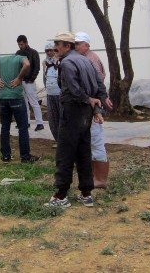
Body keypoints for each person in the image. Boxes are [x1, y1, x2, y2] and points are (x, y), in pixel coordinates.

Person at [45, 32, 107, 209]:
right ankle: (86, 193)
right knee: (83, 152)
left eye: (59, 44)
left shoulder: (67, 63)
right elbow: (100, 87)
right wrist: (95, 108)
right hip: (85, 113)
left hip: (73, 110)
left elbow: (73, 89)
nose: (55, 47)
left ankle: (60, 195)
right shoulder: (86, 60)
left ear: (68, 46)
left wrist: (88, 101)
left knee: (64, 153)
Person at [0, 53, 40, 164]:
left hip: (3, 97)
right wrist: (19, 77)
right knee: (23, 128)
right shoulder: (21, 58)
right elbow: (27, 64)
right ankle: (25, 157)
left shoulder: (1, 59)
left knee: (5, 127)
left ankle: (6, 156)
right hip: (16, 97)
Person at [75, 31, 113, 188]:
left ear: (87, 45)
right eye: (75, 43)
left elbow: (98, 84)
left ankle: (101, 179)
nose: (76, 46)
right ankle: (93, 175)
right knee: (87, 142)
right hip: (84, 107)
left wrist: (99, 103)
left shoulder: (91, 59)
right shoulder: (81, 59)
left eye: (79, 44)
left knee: (96, 140)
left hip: (92, 107)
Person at [15, 35, 45, 131]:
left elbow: (36, 67)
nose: (20, 46)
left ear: (26, 42)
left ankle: (40, 123)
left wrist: (32, 78)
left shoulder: (34, 52)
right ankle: (25, 122)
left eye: (22, 44)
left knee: (33, 102)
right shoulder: (18, 53)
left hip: (29, 81)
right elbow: (16, 66)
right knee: (24, 103)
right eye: (19, 44)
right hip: (21, 80)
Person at [43, 42, 61, 145]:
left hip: (59, 93)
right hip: (50, 93)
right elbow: (44, 77)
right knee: (52, 119)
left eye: (51, 50)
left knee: (62, 117)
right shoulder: (45, 63)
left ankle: (64, 140)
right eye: (47, 50)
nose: (49, 52)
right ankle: (57, 139)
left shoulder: (60, 61)